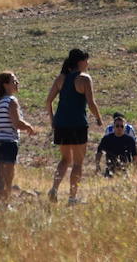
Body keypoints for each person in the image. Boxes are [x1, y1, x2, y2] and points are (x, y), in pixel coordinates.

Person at [45, 48, 103, 204]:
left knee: (64, 159)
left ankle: (54, 189)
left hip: (61, 124)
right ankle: (72, 197)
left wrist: (53, 120)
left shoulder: (60, 79)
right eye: (86, 60)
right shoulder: (84, 79)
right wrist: (98, 117)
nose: (88, 63)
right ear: (81, 62)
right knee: (78, 163)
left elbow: (48, 101)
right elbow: (91, 103)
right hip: (77, 124)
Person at [0, 71, 38, 205]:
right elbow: (17, 123)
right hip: (7, 142)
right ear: (5, 85)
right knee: (8, 177)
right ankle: (5, 203)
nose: (17, 83)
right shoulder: (11, 101)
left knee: (0, 174)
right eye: (14, 81)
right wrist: (29, 127)